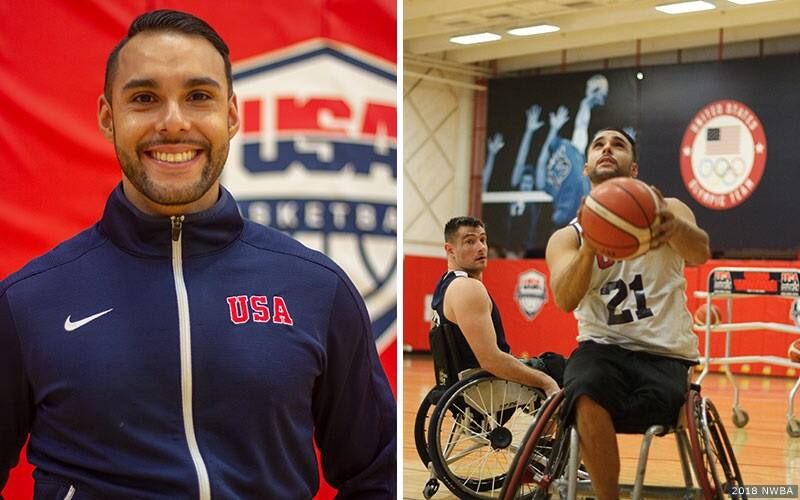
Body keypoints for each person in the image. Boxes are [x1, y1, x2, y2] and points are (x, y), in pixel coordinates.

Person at [0, 10, 395, 499]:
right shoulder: (28, 301)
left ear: (230, 116)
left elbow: (379, 472)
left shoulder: (317, 287)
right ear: (108, 117)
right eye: (144, 98)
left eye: (198, 97)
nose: (174, 122)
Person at [546, 128, 710, 499]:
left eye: (618, 145)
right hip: (602, 350)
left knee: (597, 385)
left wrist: (672, 225)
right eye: (599, 145)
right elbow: (565, 299)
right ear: (586, 167)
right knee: (584, 385)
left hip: (665, 356)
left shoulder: (669, 208)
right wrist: (590, 244)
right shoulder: (567, 237)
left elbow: (699, 253)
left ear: (633, 169)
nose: (607, 149)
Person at [431, 216, 560, 395]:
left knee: (553, 362)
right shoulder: (468, 288)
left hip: (460, 384)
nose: (481, 247)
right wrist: (546, 382)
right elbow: (491, 361)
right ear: (450, 250)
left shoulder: (445, 284)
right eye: (470, 242)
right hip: (488, 385)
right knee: (566, 370)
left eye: (482, 240)